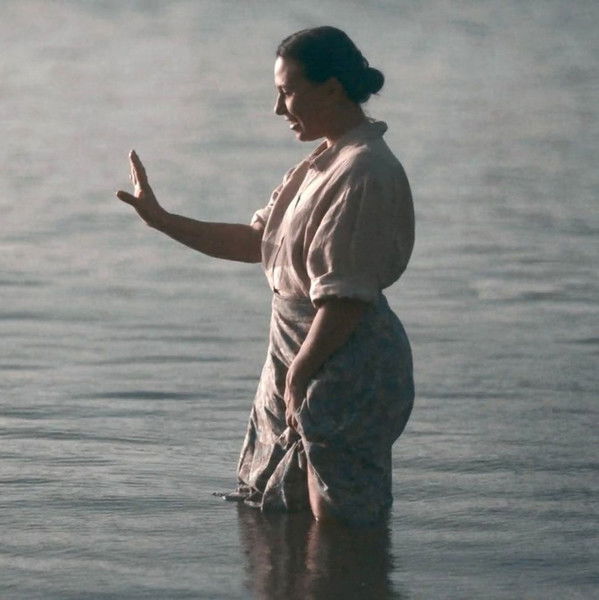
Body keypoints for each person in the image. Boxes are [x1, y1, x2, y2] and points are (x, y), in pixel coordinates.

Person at [116, 26, 415, 526]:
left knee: (340, 518)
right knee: (281, 519)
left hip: (343, 363)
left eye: (287, 92)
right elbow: (257, 242)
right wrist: (163, 221)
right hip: (300, 354)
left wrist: (301, 373)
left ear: (332, 88)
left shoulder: (364, 170)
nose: (278, 109)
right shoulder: (320, 164)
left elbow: (345, 296)